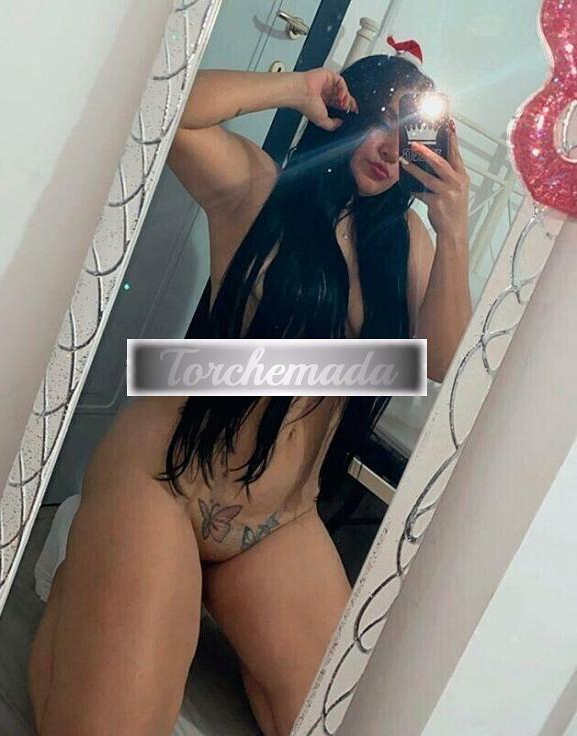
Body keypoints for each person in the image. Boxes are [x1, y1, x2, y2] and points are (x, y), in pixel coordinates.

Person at [28, 53, 472, 736]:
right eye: (378, 120)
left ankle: (187, 611)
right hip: (167, 481)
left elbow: (444, 360)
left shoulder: (405, 241)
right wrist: (294, 88)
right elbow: (166, 108)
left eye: (407, 131)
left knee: (338, 721)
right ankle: (82, 588)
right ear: (345, 110)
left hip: (279, 523)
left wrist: (455, 230)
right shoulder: (262, 189)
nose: (388, 148)